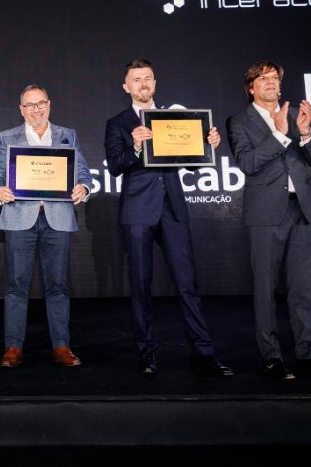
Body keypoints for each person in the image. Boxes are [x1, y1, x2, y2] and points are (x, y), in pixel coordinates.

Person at [104, 58, 233, 377]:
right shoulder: (117, 123)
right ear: (126, 87)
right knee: (141, 285)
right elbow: (116, 166)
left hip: (173, 207)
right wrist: (136, 147)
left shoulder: (174, 119)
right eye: (136, 79)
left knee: (187, 283)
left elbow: (191, 161)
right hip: (138, 211)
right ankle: (146, 353)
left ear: (155, 83)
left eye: (148, 78)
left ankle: (204, 352)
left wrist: (207, 145)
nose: (143, 83)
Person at [226, 60, 311, 380]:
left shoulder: (295, 116)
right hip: (264, 214)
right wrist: (278, 134)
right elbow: (247, 163)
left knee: (303, 288)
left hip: (300, 210)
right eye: (263, 78)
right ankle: (272, 356)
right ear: (251, 88)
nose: (271, 82)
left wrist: (305, 132)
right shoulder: (239, 121)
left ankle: (306, 354)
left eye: (275, 77)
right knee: (264, 288)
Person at [0, 84, 92, 368]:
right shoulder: (7, 137)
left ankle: (61, 346)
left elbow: (83, 172)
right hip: (19, 217)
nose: (35, 109)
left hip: (57, 218)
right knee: (16, 285)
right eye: (29, 105)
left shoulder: (67, 135)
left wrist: (83, 187)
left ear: (49, 105)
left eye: (40, 104)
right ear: (21, 109)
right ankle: (13, 347)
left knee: (58, 284)